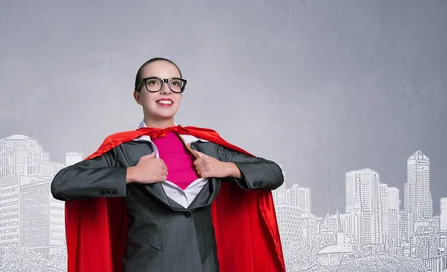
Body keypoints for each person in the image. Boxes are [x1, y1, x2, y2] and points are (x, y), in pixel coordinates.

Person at [51, 57, 286, 272]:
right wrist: (131, 173)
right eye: (153, 82)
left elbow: (273, 173)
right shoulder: (122, 149)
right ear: (137, 95)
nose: (166, 90)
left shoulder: (208, 145)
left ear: (181, 93)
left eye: (174, 83)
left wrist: (226, 168)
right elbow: (62, 184)